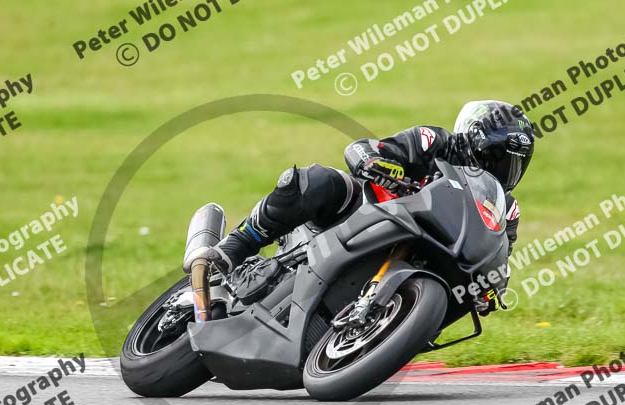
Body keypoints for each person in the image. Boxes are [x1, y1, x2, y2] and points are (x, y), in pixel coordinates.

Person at [207, 100, 535, 312]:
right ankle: (237, 244)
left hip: (429, 254)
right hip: (368, 213)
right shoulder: (435, 142)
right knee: (319, 180)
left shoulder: (505, 209)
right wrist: (373, 163)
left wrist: (489, 289)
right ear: (473, 140)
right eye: (497, 157)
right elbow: (363, 148)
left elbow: (498, 258)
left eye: (514, 164)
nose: (504, 170)